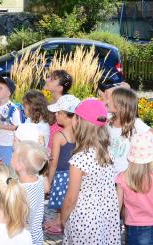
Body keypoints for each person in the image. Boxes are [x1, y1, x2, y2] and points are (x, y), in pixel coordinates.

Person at [61, 98, 121, 245]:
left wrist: (63, 218)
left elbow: (71, 199)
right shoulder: (108, 152)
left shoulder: (79, 160)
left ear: (79, 122)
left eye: (75, 116)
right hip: (108, 215)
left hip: (86, 220)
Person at [106, 87, 153, 177]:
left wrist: (150, 157)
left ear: (120, 106)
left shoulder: (136, 123)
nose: (107, 102)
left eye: (111, 100)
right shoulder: (108, 119)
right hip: (108, 173)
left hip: (126, 176)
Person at [43, 94, 80, 236]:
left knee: (61, 202)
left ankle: (61, 224)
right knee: (70, 201)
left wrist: (49, 180)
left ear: (68, 115)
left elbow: (53, 162)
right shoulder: (80, 133)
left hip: (60, 175)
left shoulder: (60, 135)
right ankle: (63, 222)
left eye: (59, 113)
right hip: (74, 175)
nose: (56, 115)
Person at [11, 140, 48, 245]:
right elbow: (47, 188)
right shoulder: (39, 179)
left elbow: (19, 221)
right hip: (37, 237)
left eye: (13, 153)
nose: (11, 155)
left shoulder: (20, 191)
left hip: (25, 239)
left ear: (20, 166)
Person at [0, 76, 23, 164]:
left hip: (8, 145)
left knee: (7, 170)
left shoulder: (13, 108)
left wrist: (1, 126)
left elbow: (16, 127)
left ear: (8, 93)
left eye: (1, 88)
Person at [43, 70, 73, 153]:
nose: (47, 80)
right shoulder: (52, 102)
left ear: (59, 88)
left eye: (52, 79)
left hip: (58, 153)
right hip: (48, 150)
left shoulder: (65, 107)